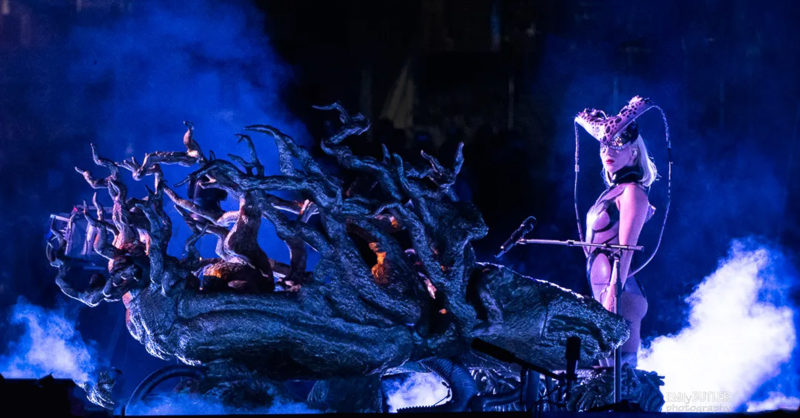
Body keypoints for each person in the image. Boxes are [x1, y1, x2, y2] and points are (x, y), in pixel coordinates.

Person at [575, 96, 659, 367]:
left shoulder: (633, 193)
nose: (607, 151)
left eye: (617, 145)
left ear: (633, 153)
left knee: (619, 377)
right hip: (604, 293)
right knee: (602, 377)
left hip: (621, 295)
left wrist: (614, 293)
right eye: (604, 146)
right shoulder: (611, 193)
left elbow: (625, 250)